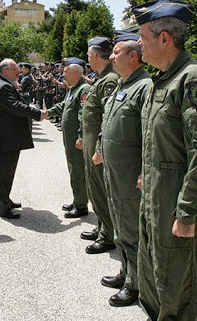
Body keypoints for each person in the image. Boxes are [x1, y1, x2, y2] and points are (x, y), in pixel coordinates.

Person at [134, 0, 197, 320]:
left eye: (142, 37)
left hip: (176, 200)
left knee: (177, 284)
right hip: (155, 195)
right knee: (152, 273)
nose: (138, 44)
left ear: (164, 39)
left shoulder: (192, 79)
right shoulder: (162, 78)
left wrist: (186, 213)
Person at [93, 34, 151, 307]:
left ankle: (135, 284)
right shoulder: (122, 85)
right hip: (114, 171)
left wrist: (142, 170)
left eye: (116, 53)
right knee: (119, 223)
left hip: (130, 173)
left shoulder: (144, 86)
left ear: (133, 56)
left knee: (131, 227)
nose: (111, 57)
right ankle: (125, 271)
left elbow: (149, 135)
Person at [0, 59, 47, 219]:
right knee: (3, 174)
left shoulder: (5, 84)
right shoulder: (4, 86)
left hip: (8, 137)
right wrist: (37, 114)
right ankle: (2, 208)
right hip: (5, 138)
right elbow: (15, 107)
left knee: (7, 172)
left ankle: (5, 200)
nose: (18, 71)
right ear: (5, 71)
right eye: (14, 69)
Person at [78, 36, 119, 255]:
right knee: (94, 187)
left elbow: (108, 117)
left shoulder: (109, 80)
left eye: (88, 56)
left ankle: (108, 234)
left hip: (98, 147)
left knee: (101, 189)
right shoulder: (102, 78)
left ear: (94, 56)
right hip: (92, 143)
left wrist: (99, 148)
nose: (87, 59)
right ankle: (102, 226)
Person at [44, 58, 91, 218]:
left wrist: (80, 136)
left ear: (76, 72)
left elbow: (84, 115)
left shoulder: (84, 88)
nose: (63, 74)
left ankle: (81, 205)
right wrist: (47, 113)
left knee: (78, 170)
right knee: (73, 168)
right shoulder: (73, 89)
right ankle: (77, 199)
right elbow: (64, 106)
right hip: (69, 139)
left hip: (76, 140)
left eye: (65, 71)